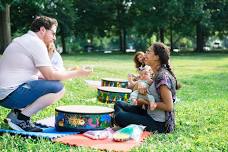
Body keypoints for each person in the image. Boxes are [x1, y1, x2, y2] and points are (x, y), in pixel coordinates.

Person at [0, 16, 92, 132]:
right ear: (42, 30)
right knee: (58, 88)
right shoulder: (36, 43)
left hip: (5, 94)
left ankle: (16, 114)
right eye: (52, 33)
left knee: (48, 84)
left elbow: (42, 75)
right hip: (9, 95)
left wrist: (67, 72)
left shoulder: (24, 39)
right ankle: (21, 119)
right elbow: (50, 76)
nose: (54, 38)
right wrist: (78, 73)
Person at [114, 42, 181, 133]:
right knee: (118, 103)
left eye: (148, 52)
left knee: (119, 116)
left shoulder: (163, 77)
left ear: (157, 57)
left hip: (159, 124)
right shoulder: (156, 73)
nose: (145, 55)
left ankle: (119, 121)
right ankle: (121, 122)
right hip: (148, 114)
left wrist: (146, 101)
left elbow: (169, 106)